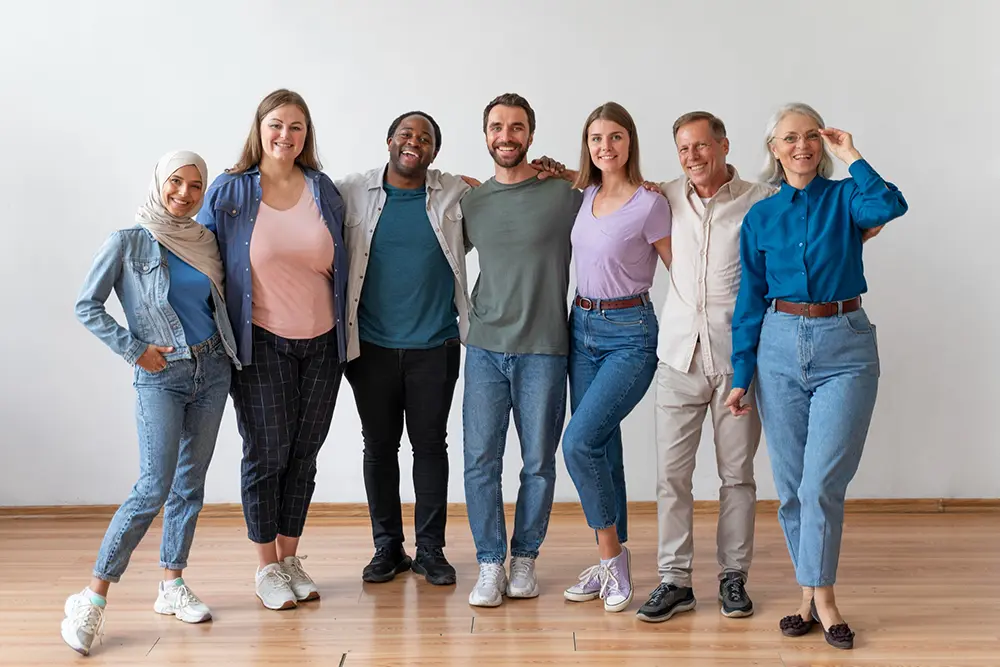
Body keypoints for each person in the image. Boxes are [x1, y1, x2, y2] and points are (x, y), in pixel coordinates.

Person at [726, 102, 907, 650]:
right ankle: (807, 595)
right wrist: (741, 373)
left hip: (844, 345)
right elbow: (750, 299)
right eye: (789, 138)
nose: (801, 146)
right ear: (773, 149)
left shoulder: (847, 197)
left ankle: (822, 599)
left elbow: (891, 204)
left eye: (811, 137)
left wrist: (851, 154)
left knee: (821, 483)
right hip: (777, 347)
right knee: (789, 488)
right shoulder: (760, 215)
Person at [63, 151, 238, 655]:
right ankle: (92, 598)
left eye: (195, 186)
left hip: (212, 369)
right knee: (152, 487)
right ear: (160, 183)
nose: (184, 194)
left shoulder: (205, 241)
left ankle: (172, 585)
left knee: (189, 484)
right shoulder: (128, 241)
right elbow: (86, 305)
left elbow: (215, 304)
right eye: (176, 183)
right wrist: (135, 349)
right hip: (161, 375)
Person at [198, 89, 348, 611]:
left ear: (308, 136)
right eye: (277, 125)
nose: (286, 136)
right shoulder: (231, 192)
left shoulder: (323, 190)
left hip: (324, 343)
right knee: (267, 454)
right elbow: (202, 262)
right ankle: (264, 566)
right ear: (259, 129)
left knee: (304, 455)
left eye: (297, 128)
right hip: (261, 341)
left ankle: (288, 559)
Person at [634, 111, 773, 623]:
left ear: (723, 145)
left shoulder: (760, 199)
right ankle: (675, 581)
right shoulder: (665, 196)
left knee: (736, 476)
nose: (692, 157)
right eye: (684, 149)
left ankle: (733, 577)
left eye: (700, 146)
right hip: (678, 358)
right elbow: (608, 180)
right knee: (672, 477)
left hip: (738, 363)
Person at [336, 111, 471, 586]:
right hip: (369, 346)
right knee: (379, 447)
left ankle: (431, 550)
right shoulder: (352, 190)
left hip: (435, 346)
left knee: (431, 446)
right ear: (389, 140)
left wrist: (546, 170)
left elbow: (503, 190)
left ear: (434, 150)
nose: (415, 142)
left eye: (426, 138)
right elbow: (297, 191)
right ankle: (387, 548)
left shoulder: (453, 193)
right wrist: (244, 174)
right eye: (407, 134)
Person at [462, 93, 584, 607]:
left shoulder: (563, 193)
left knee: (538, 461)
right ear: (485, 134)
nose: (506, 136)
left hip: (544, 348)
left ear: (531, 135)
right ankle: (490, 564)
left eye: (516, 127)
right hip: (486, 347)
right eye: (497, 127)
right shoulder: (471, 202)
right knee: (480, 460)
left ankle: (525, 560)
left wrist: (569, 170)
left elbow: (617, 185)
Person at [560, 102, 671, 614]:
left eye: (616, 137)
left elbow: (682, 270)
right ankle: (614, 556)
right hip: (581, 328)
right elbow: (563, 176)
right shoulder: (585, 194)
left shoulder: (651, 203)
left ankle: (612, 559)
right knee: (603, 447)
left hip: (630, 333)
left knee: (578, 442)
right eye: (596, 138)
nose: (605, 146)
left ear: (631, 143)